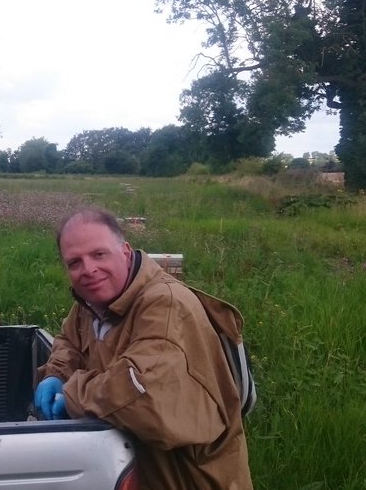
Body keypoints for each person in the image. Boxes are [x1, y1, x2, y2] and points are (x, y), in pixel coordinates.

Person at [35, 207, 252, 489]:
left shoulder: (167, 305)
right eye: (75, 262)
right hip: (134, 469)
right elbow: (69, 340)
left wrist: (71, 394)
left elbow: (141, 395)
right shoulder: (92, 303)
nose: (88, 269)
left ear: (125, 251)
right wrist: (56, 373)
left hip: (186, 478)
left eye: (99, 254)